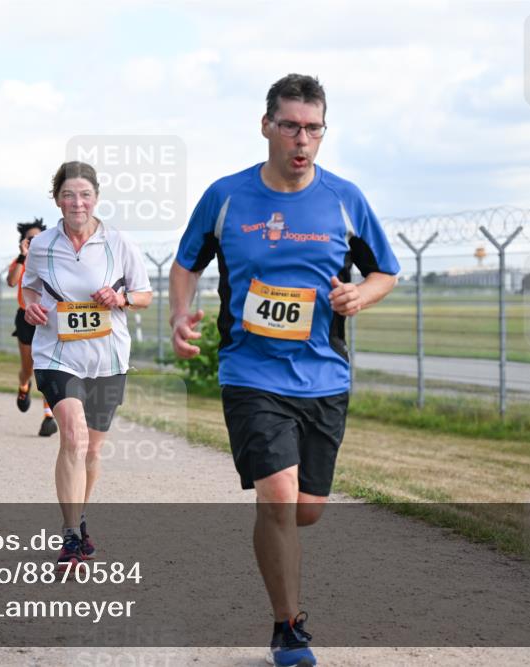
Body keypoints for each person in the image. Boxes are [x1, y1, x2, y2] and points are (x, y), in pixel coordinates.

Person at [169, 74, 400, 667]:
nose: (303, 139)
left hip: (324, 377)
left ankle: (282, 559)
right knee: (277, 496)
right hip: (250, 373)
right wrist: (179, 312)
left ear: (324, 132)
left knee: (306, 509)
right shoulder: (227, 196)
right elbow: (186, 263)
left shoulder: (345, 198)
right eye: (292, 125)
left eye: (314, 128)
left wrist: (358, 297)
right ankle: (287, 628)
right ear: (267, 125)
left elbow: (385, 273)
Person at [22, 161, 152, 570]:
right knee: (73, 437)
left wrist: (121, 300)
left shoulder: (118, 242)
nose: (77, 202)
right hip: (56, 353)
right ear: (56, 198)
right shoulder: (42, 244)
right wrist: (29, 307)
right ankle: (70, 536)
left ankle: (78, 516)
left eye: (84, 195)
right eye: (68, 194)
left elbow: (144, 294)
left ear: (96, 198)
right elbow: (28, 289)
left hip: (108, 356)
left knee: (93, 450)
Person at [7, 218, 58, 437]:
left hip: (48, 318)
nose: (34, 241)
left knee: (45, 367)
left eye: (39, 237)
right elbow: (11, 281)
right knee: (28, 367)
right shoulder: (21, 261)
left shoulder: (53, 260)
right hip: (26, 317)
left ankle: (48, 416)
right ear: (23, 242)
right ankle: (23, 385)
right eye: (30, 238)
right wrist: (23, 256)